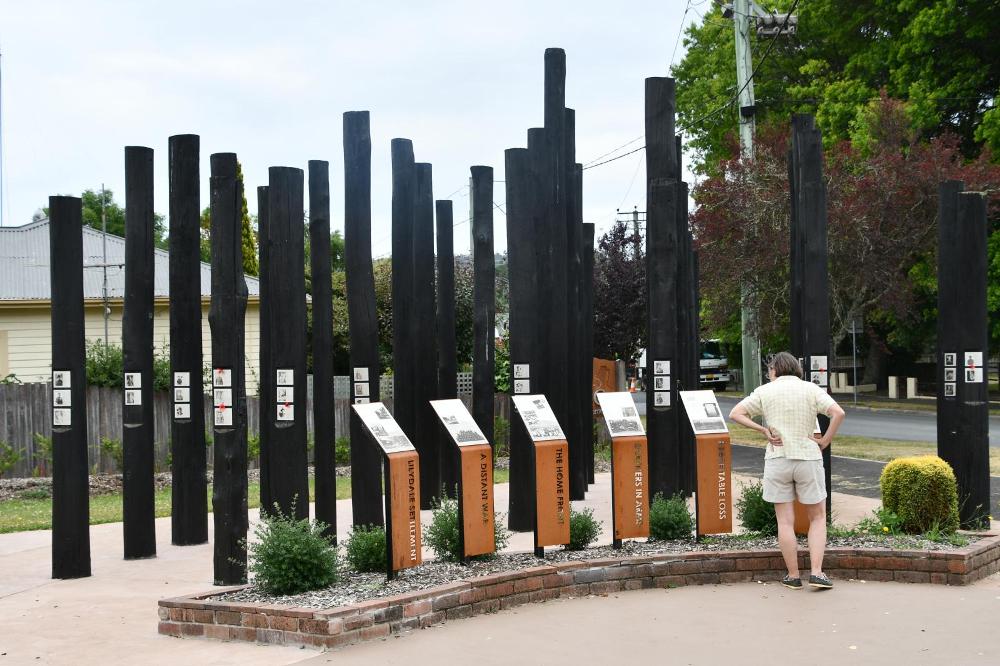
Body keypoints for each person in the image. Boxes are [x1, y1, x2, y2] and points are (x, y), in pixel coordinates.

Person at [729, 352, 846, 590]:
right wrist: (824, 440)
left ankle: (793, 576)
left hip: (777, 457)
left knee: (784, 521)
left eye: (769, 370)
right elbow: (838, 413)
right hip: (808, 457)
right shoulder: (811, 389)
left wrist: (763, 431)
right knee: (817, 517)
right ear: (796, 369)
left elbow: (736, 413)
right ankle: (816, 572)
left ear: (774, 370)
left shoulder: (765, 391)